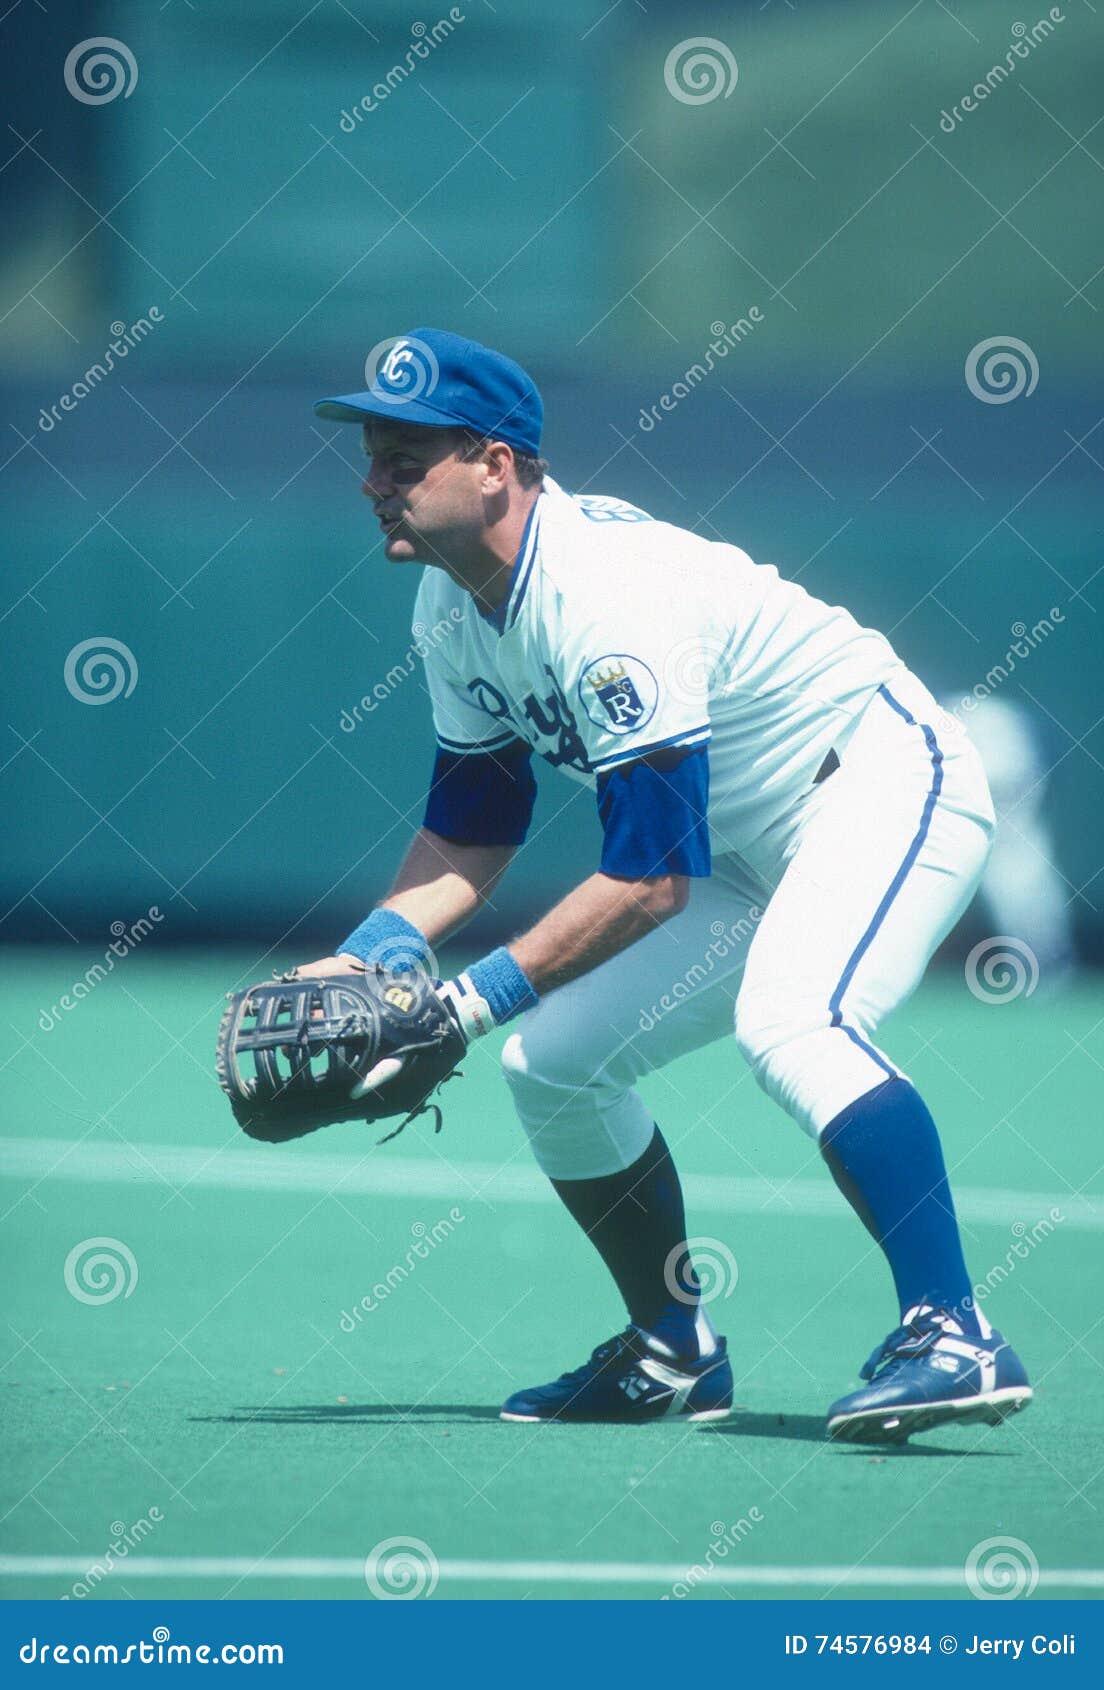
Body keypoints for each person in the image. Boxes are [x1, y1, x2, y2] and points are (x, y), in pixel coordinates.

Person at [298, 326, 1032, 1443]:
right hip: (740, 849)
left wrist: (460, 999)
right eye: (371, 457)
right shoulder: (451, 609)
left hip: (877, 780)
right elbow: (472, 828)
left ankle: (956, 1329)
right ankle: (673, 1349)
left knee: (795, 1020)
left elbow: (648, 884)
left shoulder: (603, 601)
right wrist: (373, 951)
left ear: (496, 463)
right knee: (552, 1064)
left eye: (404, 460)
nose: (372, 482)